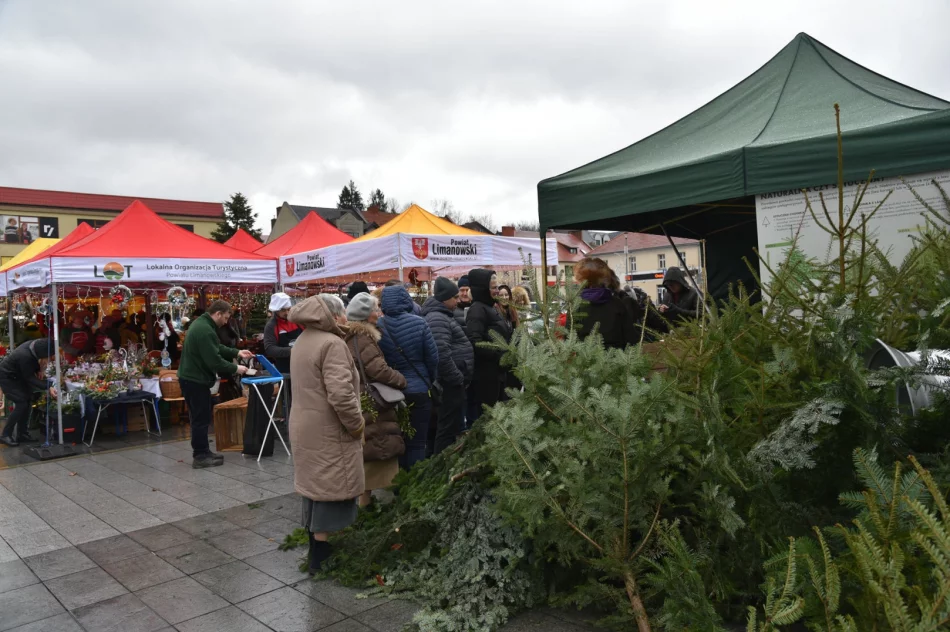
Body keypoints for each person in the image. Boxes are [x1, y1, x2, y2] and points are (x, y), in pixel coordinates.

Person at [287, 294, 364, 574]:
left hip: (306, 424)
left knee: (314, 487)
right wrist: (356, 424)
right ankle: (322, 556)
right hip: (329, 428)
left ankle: (315, 549)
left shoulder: (305, 339)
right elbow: (341, 395)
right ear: (332, 315)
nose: (346, 318)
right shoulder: (331, 343)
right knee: (331, 487)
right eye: (342, 313)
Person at [344, 293, 407, 506]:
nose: (378, 313)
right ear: (367, 314)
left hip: (360, 398)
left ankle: (365, 504)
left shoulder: (349, 336)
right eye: (375, 309)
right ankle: (367, 506)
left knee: (368, 452)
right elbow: (378, 369)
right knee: (375, 449)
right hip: (371, 403)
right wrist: (400, 379)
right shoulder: (363, 338)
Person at [177, 300, 253, 468]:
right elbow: (214, 361)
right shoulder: (204, 329)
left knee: (202, 417)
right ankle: (200, 455)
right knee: (200, 418)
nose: (226, 322)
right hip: (194, 380)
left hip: (194, 378)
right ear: (218, 314)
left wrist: (237, 352)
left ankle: (204, 451)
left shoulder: (203, 324)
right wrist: (236, 368)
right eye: (225, 318)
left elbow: (216, 347)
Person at [377, 285, 438, 468]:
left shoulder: (378, 326)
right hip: (419, 390)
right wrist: (429, 379)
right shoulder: (419, 323)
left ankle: (398, 483)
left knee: (398, 438)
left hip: (391, 392)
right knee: (418, 442)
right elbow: (433, 358)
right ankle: (416, 483)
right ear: (406, 300)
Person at [422, 278, 474, 454]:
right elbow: (441, 354)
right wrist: (457, 378)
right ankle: (441, 466)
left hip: (452, 383)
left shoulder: (442, 316)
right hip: (449, 385)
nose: (458, 301)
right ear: (444, 299)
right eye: (454, 297)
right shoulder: (438, 318)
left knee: (451, 427)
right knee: (446, 430)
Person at [465, 268, 512, 423]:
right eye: (493, 288)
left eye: (497, 287)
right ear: (482, 289)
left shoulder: (490, 307)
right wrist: (498, 355)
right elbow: (475, 341)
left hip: (497, 373)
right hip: (487, 376)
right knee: (490, 419)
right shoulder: (477, 309)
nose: (497, 291)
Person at [573, 257, 641, 349]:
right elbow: (631, 338)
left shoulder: (576, 306)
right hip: (616, 358)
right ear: (604, 278)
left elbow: (569, 339)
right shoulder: (617, 304)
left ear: (580, 279)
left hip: (585, 360)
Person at [0, 339, 57, 447]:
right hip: (7, 378)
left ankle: (22, 434)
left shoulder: (34, 347)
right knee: (21, 403)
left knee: (28, 400)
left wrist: (39, 370)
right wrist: (48, 386)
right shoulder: (25, 355)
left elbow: (33, 365)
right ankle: (5, 435)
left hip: (17, 376)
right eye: (47, 358)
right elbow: (29, 377)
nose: (48, 360)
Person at [263, 293, 302, 375]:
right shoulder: (271, 326)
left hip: (302, 364)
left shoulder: (297, 320)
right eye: (283, 310)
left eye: (289, 309)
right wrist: (292, 351)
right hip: (284, 368)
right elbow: (270, 349)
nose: (287, 313)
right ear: (276, 311)